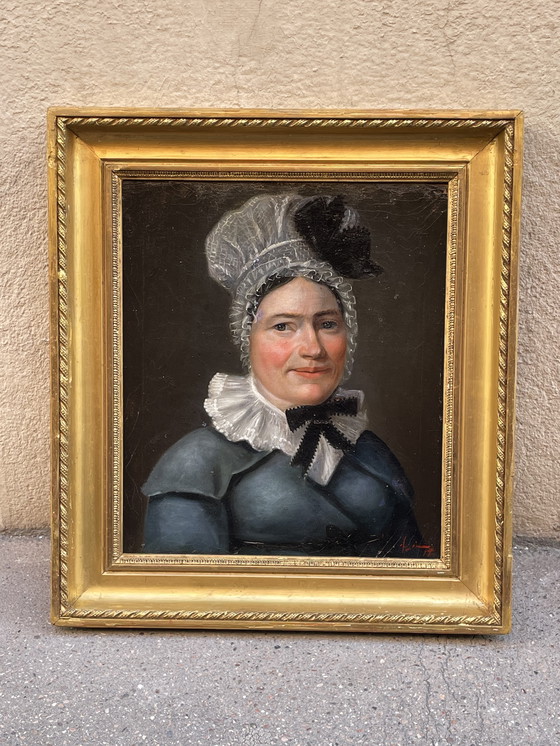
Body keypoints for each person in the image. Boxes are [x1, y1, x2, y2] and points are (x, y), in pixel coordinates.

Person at [142, 193, 429, 557]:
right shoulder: (196, 463)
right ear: (247, 339)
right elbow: (185, 588)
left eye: (327, 324)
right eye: (283, 326)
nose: (312, 348)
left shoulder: (370, 451)